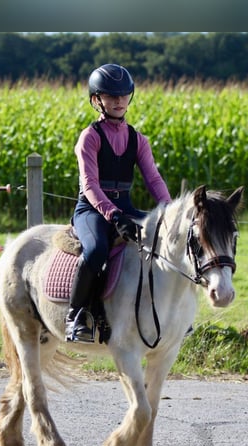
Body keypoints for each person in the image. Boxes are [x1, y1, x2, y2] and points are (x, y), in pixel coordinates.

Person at [66, 63, 172, 343]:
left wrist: (168, 210)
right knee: (97, 250)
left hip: (124, 208)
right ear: (95, 100)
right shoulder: (89, 137)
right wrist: (113, 216)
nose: (119, 101)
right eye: (111, 96)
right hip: (92, 211)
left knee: (166, 241)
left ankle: (168, 313)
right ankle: (76, 316)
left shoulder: (138, 139)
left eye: (124, 95)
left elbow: (154, 179)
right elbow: (89, 186)